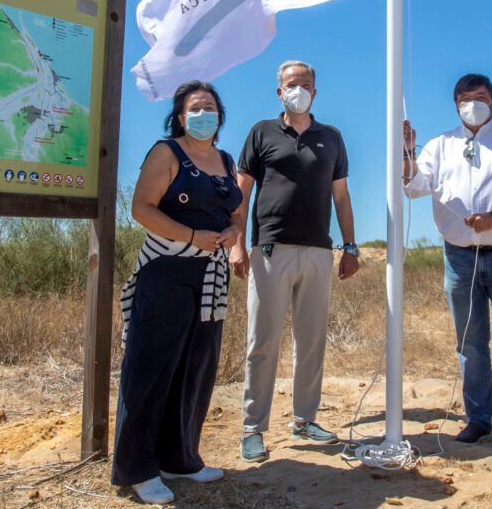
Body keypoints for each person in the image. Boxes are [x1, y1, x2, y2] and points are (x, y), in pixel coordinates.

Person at [112, 81, 242, 505]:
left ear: (219, 115)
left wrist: (230, 233)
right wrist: (191, 235)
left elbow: (237, 216)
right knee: (151, 371)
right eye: (194, 108)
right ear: (180, 116)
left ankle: (181, 459)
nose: (203, 113)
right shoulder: (167, 153)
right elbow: (141, 209)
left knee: (196, 370)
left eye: (210, 107)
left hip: (209, 276)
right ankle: (139, 469)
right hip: (166, 272)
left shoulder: (225, 159)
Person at [402, 73, 492, 458]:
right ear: (456, 104)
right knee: (469, 343)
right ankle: (478, 419)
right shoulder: (441, 145)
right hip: (459, 256)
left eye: (479, 96)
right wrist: (407, 152)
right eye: (465, 98)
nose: (472, 103)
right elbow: (414, 187)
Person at [230, 60, 360, 463]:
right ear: (279, 91)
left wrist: (350, 246)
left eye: (305, 84)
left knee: (312, 342)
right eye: (291, 84)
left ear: (315, 92)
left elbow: (340, 196)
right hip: (270, 249)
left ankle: (305, 419)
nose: (298, 89)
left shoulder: (332, 138)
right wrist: (237, 244)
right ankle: (253, 427)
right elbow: (242, 193)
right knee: (263, 341)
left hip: (319, 251)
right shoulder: (261, 133)